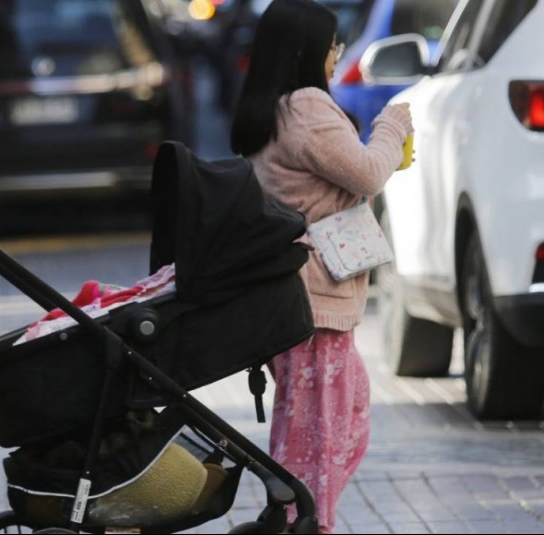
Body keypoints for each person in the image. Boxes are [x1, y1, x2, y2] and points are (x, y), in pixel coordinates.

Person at [229, 0, 413, 532]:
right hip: (313, 300)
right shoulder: (306, 108)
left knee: (328, 422)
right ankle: (306, 523)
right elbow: (369, 173)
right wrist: (391, 123)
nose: (337, 56)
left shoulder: (274, 106)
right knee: (322, 433)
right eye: (333, 46)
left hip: (297, 296)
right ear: (309, 51)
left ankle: (292, 518)